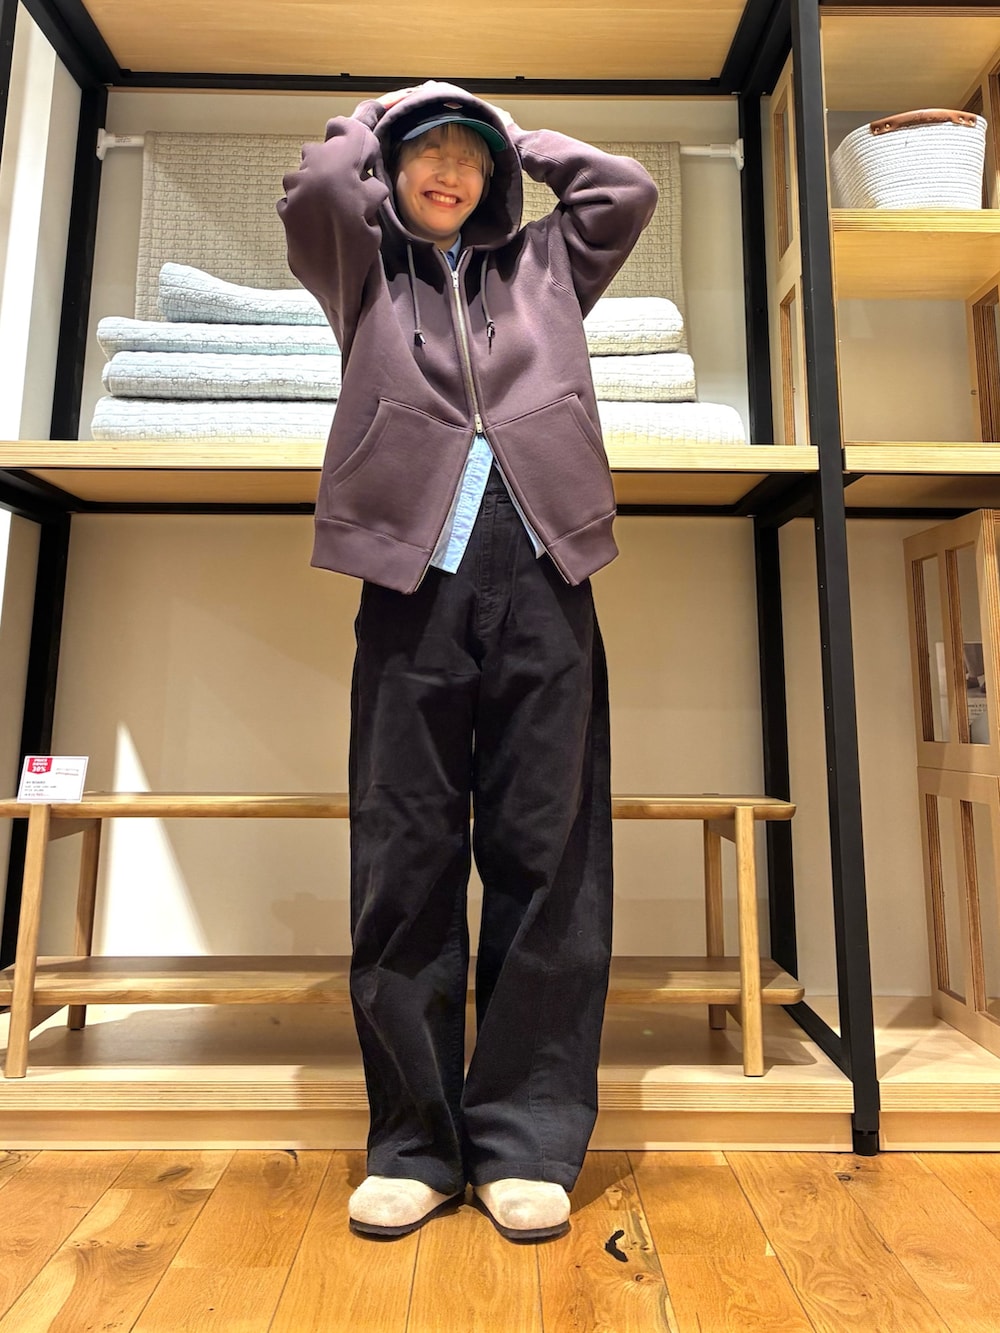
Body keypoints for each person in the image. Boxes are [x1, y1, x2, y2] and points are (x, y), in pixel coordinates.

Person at [278, 81, 657, 1241]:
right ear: (392, 165)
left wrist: (511, 133)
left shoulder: (545, 265)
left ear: (494, 175)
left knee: (550, 851)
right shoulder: (363, 269)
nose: (447, 168)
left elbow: (624, 190)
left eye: (467, 155)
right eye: (426, 152)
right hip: (413, 583)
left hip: (546, 569)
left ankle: (527, 1138)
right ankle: (413, 1143)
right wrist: (393, 110)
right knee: (406, 852)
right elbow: (319, 186)